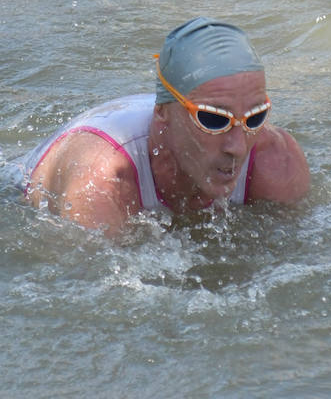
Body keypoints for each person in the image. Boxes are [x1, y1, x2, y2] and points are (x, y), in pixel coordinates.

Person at [18, 17, 309, 237]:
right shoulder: (103, 181)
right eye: (213, 120)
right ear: (162, 113)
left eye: (255, 117)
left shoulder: (276, 162)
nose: (237, 146)